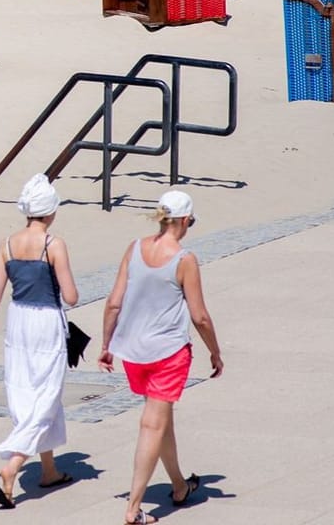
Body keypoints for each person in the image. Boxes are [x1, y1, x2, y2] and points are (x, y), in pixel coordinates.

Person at [99, 191, 223, 524]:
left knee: (160, 416)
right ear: (184, 221)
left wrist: (106, 344)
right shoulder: (184, 259)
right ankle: (133, 507)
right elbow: (200, 316)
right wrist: (215, 351)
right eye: (190, 222)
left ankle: (180, 486)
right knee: (152, 423)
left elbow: (113, 302)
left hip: (133, 352)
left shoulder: (135, 248)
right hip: (167, 352)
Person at [0, 175, 78, 510]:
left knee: (29, 391)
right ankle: (12, 466)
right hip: (45, 322)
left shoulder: (8, 244)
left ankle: (50, 470)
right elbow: (70, 296)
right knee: (47, 391)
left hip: (18, 322)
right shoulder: (54, 245)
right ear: (51, 211)